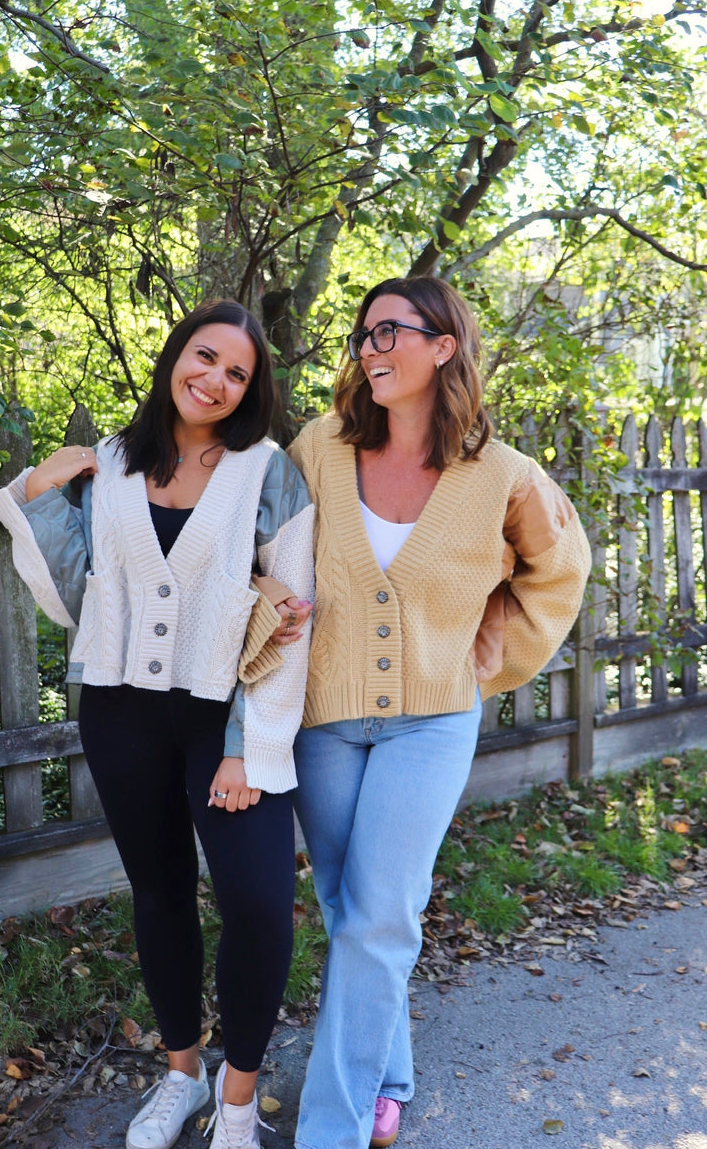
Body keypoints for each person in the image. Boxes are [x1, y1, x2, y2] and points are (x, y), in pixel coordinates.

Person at [0, 299, 314, 1149]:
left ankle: (237, 1101)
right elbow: (69, 598)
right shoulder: (115, 464)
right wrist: (38, 489)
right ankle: (182, 1074)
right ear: (176, 357)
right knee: (161, 894)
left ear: (253, 389)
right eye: (204, 358)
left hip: (223, 718)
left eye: (237, 372)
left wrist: (249, 746)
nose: (215, 380)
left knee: (258, 904)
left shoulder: (268, 472)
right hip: (121, 711)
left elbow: (292, 615)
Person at [279, 276, 591, 1149]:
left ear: (443, 345)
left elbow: (560, 573)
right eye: (363, 335)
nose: (369, 348)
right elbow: (269, 560)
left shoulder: (501, 474)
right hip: (325, 722)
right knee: (353, 911)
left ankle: (330, 1131)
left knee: (382, 915)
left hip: (432, 724)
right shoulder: (318, 449)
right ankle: (392, 1076)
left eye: (389, 332)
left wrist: (486, 658)